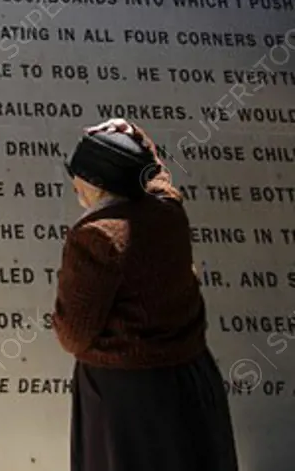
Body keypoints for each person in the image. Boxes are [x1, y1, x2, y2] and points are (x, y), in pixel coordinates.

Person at [53, 118, 239, 471]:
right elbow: (155, 175)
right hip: (188, 376)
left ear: (93, 184)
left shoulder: (97, 235)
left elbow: (73, 333)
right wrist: (134, 134)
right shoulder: (167, 208)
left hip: (126, 394)